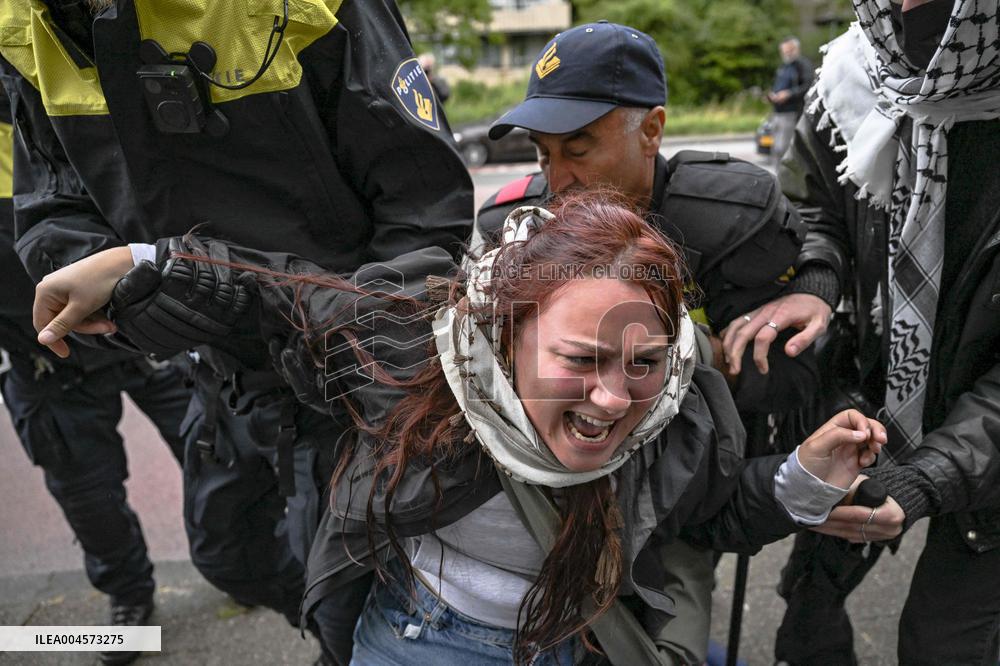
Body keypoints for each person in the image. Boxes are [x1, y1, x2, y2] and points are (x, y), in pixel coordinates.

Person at [31, 192, 887, 665]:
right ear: (503, 336)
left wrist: (803, 478)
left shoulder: (683, 406)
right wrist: (140, 270)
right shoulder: (413, 349)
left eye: (645, 361)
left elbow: (706, 512)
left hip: (578, 639)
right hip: (416, 642)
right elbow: (276, 293)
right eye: (581, 358)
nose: (618, 400)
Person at [0, 0, 472, 661]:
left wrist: (172, 273)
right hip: (211, 367)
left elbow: (427, 224)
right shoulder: (22, 26)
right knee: (228, 556)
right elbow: (50, 210)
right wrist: (131, 282)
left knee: (350, 607)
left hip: (350, 375)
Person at [475, 22, 833, 661]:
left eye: (578, 150)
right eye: (542, 154)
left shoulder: (732, 220)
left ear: (653, 129)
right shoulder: (516, 226)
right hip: (551, 496)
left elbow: (789, 371)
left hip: (683, 497)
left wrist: (812, 286)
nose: (558, 180)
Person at [720, 0, 1000, 663]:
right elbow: (812, 202)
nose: (901, 10)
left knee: (944, 642)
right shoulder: (854, 70)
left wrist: (929, 479)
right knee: (809, 614)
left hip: (986, 432)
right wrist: (816, 281)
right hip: (873, 403)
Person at [0, 91, 191, 666]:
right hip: (42, 358)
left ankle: (247, 567)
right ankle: (128, 607)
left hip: (137, 331)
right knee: (89, 501)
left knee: (226, 466)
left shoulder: (32, 78)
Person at [766, 37, 813, 166]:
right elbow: (779, 86)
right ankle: (777, 178)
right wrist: (773, 95)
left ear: (796, 49)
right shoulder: (783, 67)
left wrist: (789, 94)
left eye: (789, 50)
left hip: (792, 112)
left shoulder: (803, 65)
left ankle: (786, 180)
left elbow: (808, 86)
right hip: (777, 112)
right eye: (784, 51)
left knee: (785, 148)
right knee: (775, 148)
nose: (786, 53)